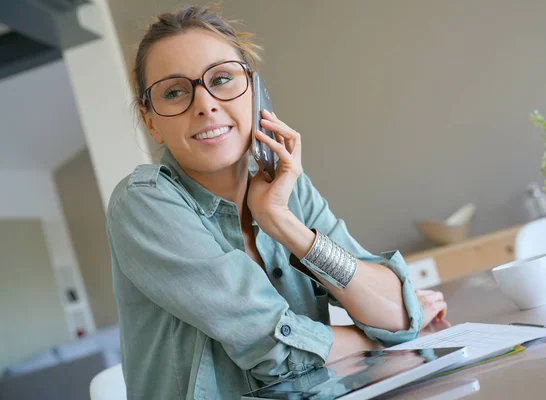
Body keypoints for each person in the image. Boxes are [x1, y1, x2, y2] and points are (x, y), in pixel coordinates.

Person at [106, 5, 448, 400]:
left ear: (255, 93)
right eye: (175, 92)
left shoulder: (287, 190)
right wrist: (372, 337)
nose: (205, 104)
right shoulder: (142, 203)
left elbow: (398, 316)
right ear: (151, 122)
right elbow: (275, 348)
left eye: (222, 78)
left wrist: (281, 221)